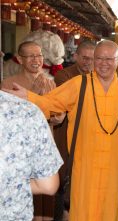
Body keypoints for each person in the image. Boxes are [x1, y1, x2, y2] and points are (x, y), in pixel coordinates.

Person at [3, 40, 118, 221]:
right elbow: (51, 102)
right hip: (84, 167)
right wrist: (27, 97)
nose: (104, 63)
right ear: (93, 60)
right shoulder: (78, 84)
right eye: (99, 58)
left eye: (109, 59)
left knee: (109, 212)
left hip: (114, 168)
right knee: (82, 213)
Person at [1, 40, 64, 221]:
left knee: (48, 198)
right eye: (31, 56)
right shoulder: (9, 84)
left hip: (44, 146)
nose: (36, 60)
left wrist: (55, 115)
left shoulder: (50, 83)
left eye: (39, 55)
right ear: (20, 60)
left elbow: (59, 115)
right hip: (18, 152)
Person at [53, 40, 96, 220]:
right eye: (84, 58)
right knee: (62, 181)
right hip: (67, 135)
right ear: (76, 56)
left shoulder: (99, 76)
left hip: (91, 137)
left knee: (87, 181)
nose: (88, 62)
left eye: (92, 59)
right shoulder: (64, 75)